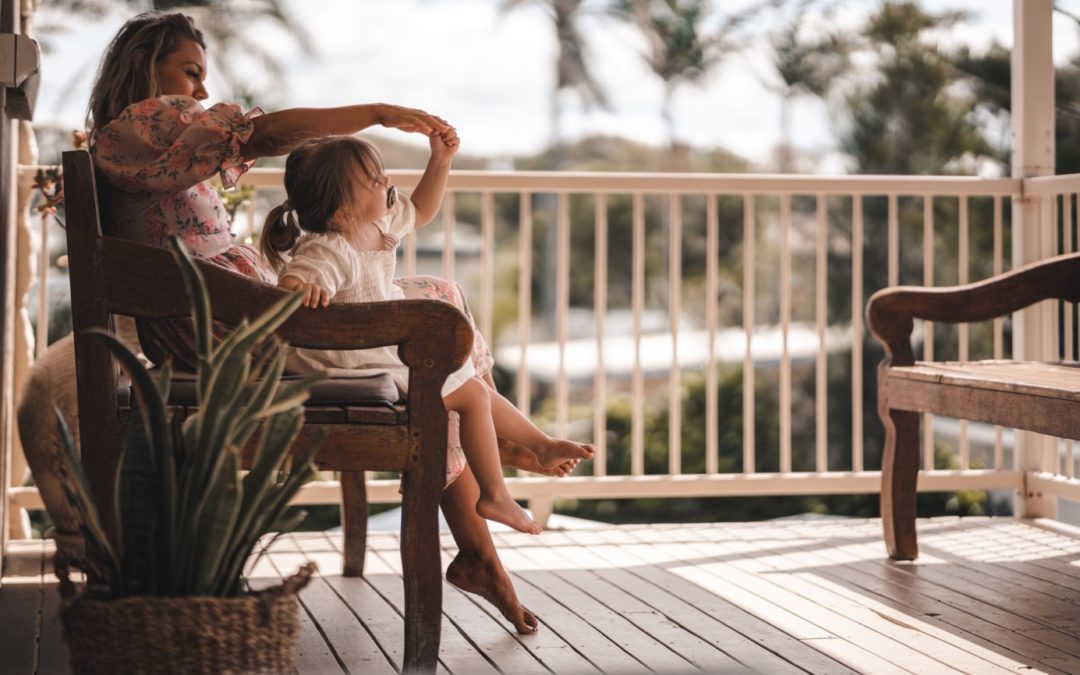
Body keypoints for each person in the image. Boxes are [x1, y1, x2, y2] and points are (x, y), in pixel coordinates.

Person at [81, 10, 593, 633]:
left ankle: (493, 453)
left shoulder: (141, 140)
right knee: (435, 331)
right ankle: (490, 477)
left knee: (440, 299)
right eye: (191, 72)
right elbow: (263, 136)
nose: (201, 92)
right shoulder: (142, 126)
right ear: (144, 65)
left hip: (238, 316)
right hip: (234, 331)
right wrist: (374, 112)